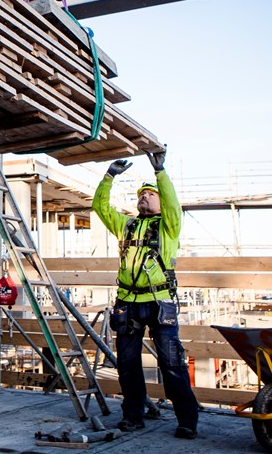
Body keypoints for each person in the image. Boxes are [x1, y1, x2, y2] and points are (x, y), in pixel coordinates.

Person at [91, 149, 200, 440]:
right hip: (127, 303)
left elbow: (174, 206)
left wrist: (160, 173)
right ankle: (132, 416)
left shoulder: (168, 227)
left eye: (150, 194)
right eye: (141, 195)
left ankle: (187, 420)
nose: (144, 197)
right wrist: (109, 176)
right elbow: (100, 207)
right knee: (127, 364)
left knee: (172, 363)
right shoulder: (126, 225)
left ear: (160, 201)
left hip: (158, 302)